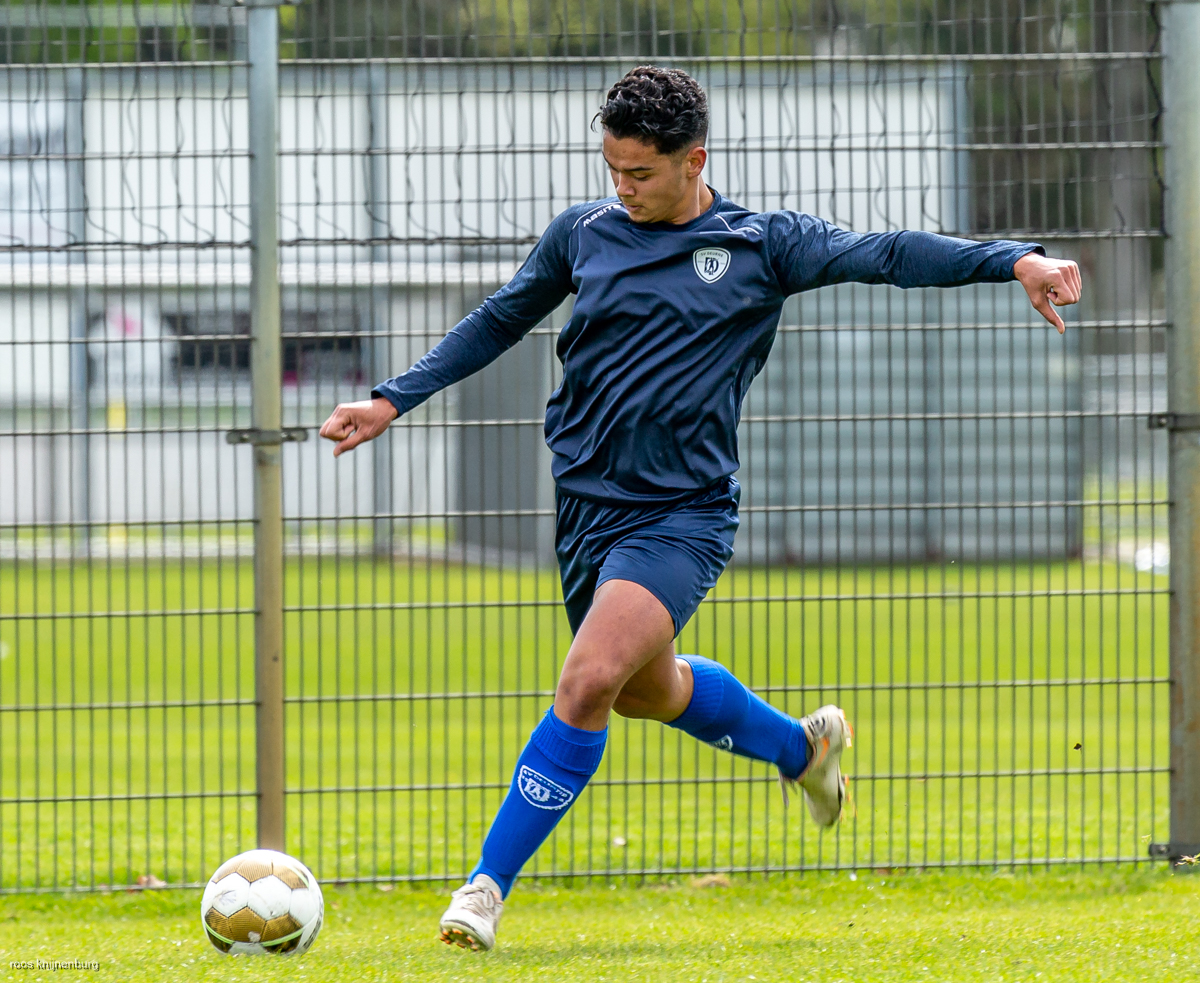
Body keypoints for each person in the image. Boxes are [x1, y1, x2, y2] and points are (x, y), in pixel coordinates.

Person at [319, 65, 1082, 951]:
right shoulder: (582, 235)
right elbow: (498, 318)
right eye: (613, 169)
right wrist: (392, 398)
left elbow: (886, 252)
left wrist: (1013, 259)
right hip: (586, 509)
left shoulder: (762, 245)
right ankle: (803, 750)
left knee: (586, 680)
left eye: (641, 172)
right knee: (649, 691)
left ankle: (484, 887)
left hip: (682, 515)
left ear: (695, 161)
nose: (624, 187)